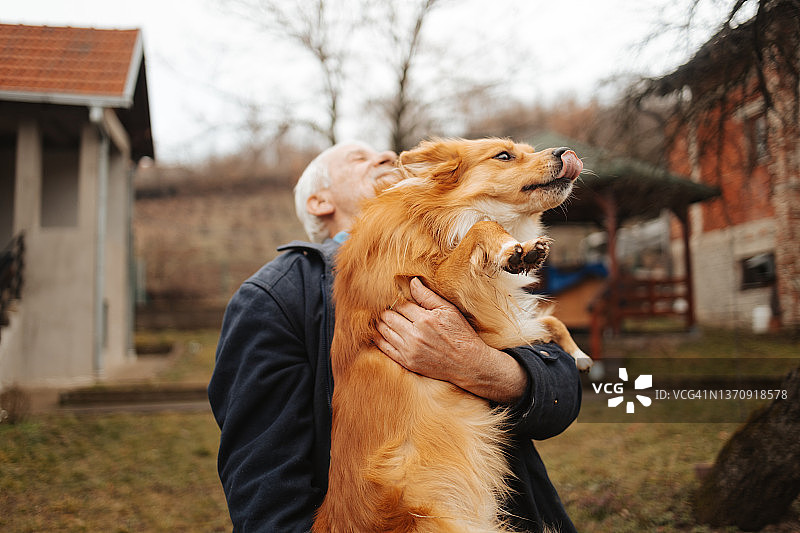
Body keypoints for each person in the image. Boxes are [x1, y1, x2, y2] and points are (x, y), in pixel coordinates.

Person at [208, 141, 582, 533]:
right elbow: (261, 471)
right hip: (398, 516)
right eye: (359, 158)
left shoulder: (476, 252)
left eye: (384, 153)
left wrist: (480, 366)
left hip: (509, 511)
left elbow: (563, 394)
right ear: (319, 202)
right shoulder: (275, 296)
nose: (385, 157)